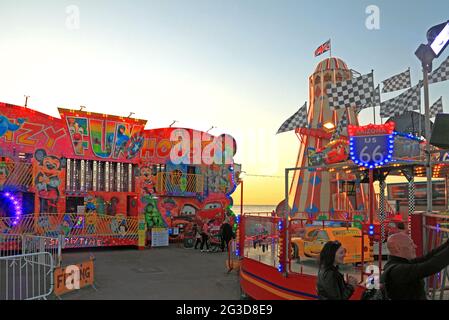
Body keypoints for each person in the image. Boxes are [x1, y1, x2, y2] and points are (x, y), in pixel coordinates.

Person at [381, 232, 449, 300]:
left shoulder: (400, 263)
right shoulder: (397, 270)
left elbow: (427, 257)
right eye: (411, 244)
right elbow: (430, 266)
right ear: (397, 248)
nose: (415, 246)